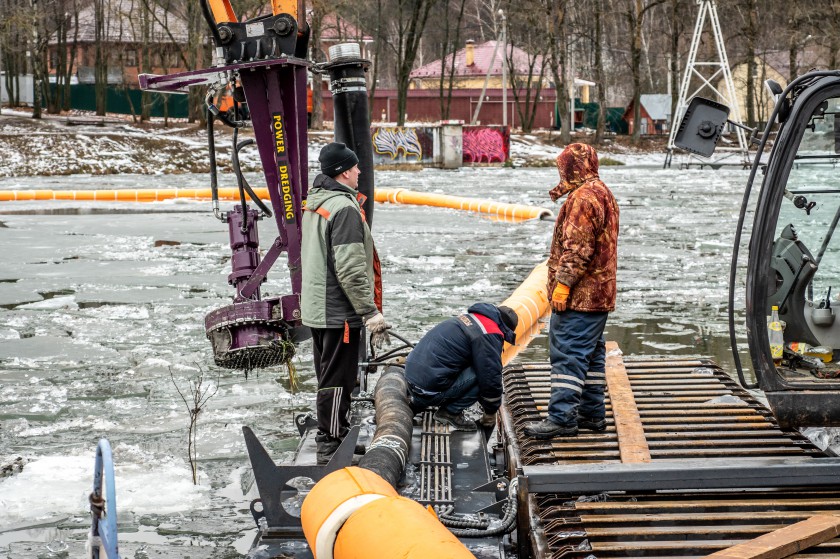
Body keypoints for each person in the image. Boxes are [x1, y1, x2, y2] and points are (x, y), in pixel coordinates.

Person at [301, 142, 390, 464]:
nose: (360, 171)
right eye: (355, 167)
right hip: (338, 311)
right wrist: (370, 313)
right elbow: (351, 268)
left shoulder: (318, 203)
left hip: (317, 307)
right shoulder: (344, 209)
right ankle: (331, 443)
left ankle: (334, 434)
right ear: (343, 172)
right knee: (338, 379)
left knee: (328, 374)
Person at [524, 143, 619, 439]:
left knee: (568, 353)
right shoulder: (602, 191)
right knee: (590, 354)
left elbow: (577, 249)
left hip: (581, 296)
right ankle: (592, 414)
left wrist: (562, 287)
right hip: (601, 295)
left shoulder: (582, 198)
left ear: (573, 167)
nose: (561, 173)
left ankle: (562, 418)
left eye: (563, 167)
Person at [404, 303, 518, 431]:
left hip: (411, 380)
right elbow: (490, 377)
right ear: (505, 329)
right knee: (484, 375)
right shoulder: (490, 332)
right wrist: (491, 411)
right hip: (428, 390)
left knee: (468, 362)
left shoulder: (470, 318)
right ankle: (450, 412)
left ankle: (418, 404)